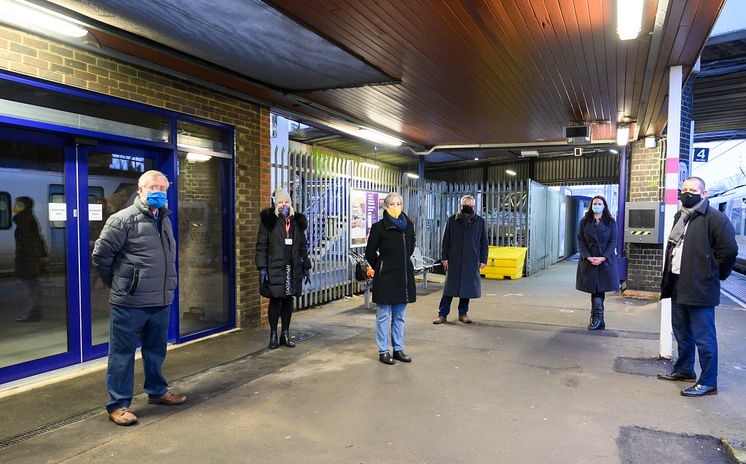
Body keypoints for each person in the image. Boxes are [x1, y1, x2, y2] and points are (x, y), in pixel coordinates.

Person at [92, 170, 186, 426]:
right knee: (121, 354)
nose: (159, 191)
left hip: (160, 300)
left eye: (163, 188)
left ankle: (157, 391)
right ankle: (118, 404)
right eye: (153, 187)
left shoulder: (165, 219)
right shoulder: (121, 220)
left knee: (155, 351)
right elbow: (101, 256)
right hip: (130, 303)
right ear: (141, 190)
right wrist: (121, 283)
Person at [657, 177, 738, 397]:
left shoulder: (715, 219)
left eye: (693, 190)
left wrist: (714, 274)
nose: (687, 193)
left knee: (704, 336)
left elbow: (729, 250)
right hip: (677, 282)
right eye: (684, 189)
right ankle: (684, 370)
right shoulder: (680, 216)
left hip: (700, 286)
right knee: (682, 331)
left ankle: (708, 382)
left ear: (704, 194)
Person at [256, 187, 311, 349]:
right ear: (275, 204)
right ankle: (273, 334)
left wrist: (306, 266)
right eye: (280, 202)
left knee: (288, 301)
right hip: (275, 267)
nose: (284, 205)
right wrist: (262, 268)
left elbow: (303, 246)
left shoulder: (297, 222)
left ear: (291, 203)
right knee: (275, 301)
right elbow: (261, 246)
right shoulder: (269, 222)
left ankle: (285, 334)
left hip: (292, 267)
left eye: (286, 202)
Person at [365, 192, 416, 365]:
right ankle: (383, 350)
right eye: (393, 204)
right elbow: (370, 253)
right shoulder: (379, 227)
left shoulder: (408, 225)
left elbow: (410, 247)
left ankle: (398, 349)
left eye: (399, 203)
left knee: (399, 316)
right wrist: (381, 266)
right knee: (383, 315)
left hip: (403, 275)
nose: (396, 207)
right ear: (386, 207)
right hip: (386, 276)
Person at [433, 195, 488, 325]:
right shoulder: (452, 220)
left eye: (470, 205)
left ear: (474, 206)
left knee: (466, 289)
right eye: (466, 204)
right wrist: (444, 258)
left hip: (471, 260)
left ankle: (463, 314)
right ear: (461, 205)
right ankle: (442, 315)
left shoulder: (480, 221)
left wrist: (483, 259)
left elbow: (484, 242)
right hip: (454, 259)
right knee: (449, 289)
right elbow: (445, 240)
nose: (468, 206)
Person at [575, 195, 619, 330]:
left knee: (599, 289)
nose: (597, 205)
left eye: (600, 203)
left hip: (605, 261)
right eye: (595, 203)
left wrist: (603, 257)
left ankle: (597, 318)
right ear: (591, 205)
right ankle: (598, 319)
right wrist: (588, 257)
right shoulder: (584, 221)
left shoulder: (611, 222)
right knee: (594, 289)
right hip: (589, 260)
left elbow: (613, 242)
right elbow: (580, 240)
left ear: (604, 206)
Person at [13, 196, 47, 322]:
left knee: (32, 288)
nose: (15, 207)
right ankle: (34, 312)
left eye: (18, 204)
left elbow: (27, 243)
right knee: (33, 287)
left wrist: (24, 261)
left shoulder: (24, 220)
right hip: (31, 260)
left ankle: (33, 313)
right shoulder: (27, 219)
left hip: (28, 261)